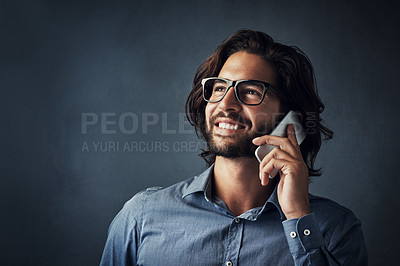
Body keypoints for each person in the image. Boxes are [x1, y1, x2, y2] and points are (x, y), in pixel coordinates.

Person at [100, 29, 368, 265]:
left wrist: (298, 217)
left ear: (291, 121)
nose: (226, 104)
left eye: (250, 91)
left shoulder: (335, 229)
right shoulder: (141, 217)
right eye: (219, 88)